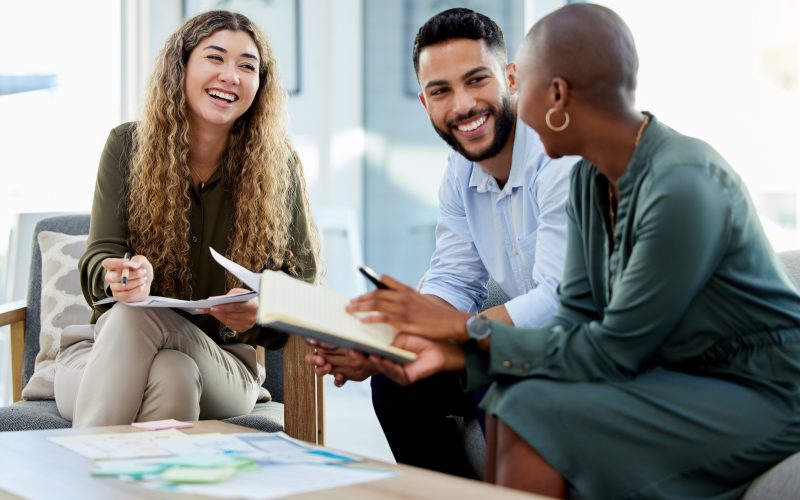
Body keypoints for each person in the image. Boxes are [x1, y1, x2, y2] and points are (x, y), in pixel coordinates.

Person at [347, 3, 800, 499]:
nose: (512, 106)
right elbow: (577, 316)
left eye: (524, 85)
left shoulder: (682, 185)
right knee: (516, 404)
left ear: (555, 94)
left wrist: (462, 333)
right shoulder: (590, 176)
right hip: (673, 373)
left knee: (534, 413)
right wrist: (434, 347)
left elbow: (615, 348)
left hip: (758, 388)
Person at [306, 8, 576, 478]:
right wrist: (381, 345)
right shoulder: (460, 170)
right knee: (396, 383)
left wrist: (444, 331)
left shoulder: (557, 155)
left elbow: (558, 300)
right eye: (441, 91)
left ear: (510, 76)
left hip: (570, 346)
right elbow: (453, 277)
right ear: (424, 101)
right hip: (511, 338)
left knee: (494, 374)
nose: (463, 106)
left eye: (476, 80)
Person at [53, 10, 319, 427]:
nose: (231, 75)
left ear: (260, 85)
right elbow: (101, 255)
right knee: (172, 374)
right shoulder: (127, 146)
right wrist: (121, 276)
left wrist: (260, 310)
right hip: (99, 354)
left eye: (247, 66)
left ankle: (77, 479)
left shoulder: (278, 167)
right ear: (182, 66)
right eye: (215, 58)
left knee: (138, 321)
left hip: (224, 365)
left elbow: (303, 288)